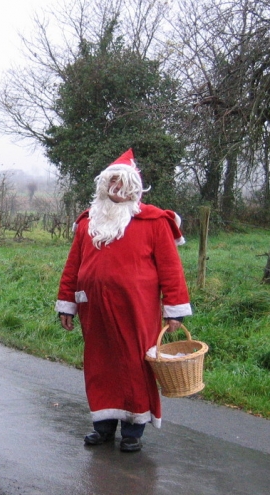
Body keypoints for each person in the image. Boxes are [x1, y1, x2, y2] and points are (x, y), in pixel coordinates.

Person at [55, 149, 192, 453]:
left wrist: (175, 312)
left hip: (138, 312)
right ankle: (103, 427)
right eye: (113, 183)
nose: (119, 190)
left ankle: (133, 430)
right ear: (104, 186)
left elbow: (171, 270)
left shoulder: (155, 221)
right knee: (100, 364)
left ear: (135, 188)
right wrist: (67, 302)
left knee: (135, 364)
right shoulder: (88, 221)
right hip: (95, 310)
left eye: (125, 184)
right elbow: (72, 265)